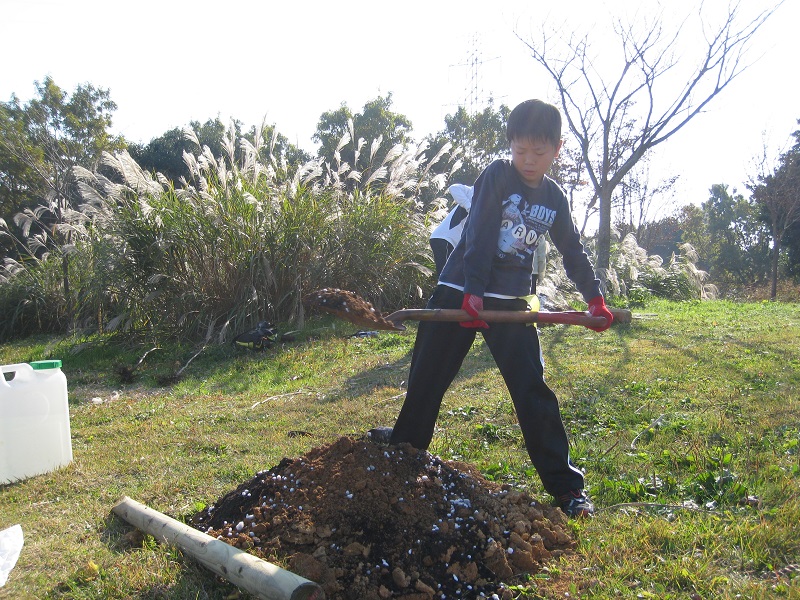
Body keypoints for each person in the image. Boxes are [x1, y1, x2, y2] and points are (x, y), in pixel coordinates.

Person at [390, 99, 614, 518]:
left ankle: (567, 489)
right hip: (460, 290)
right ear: (510, 144)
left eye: (539, 152)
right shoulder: (497, 175)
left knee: (533, 390)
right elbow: (478, 231)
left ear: (557, 149)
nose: (528, 161)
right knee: (427, 378)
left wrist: (594, 298)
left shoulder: (554, 197)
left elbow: (572, 249)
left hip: (510, 304)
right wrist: (472, 292)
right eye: (521, 151)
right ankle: (404, 452)